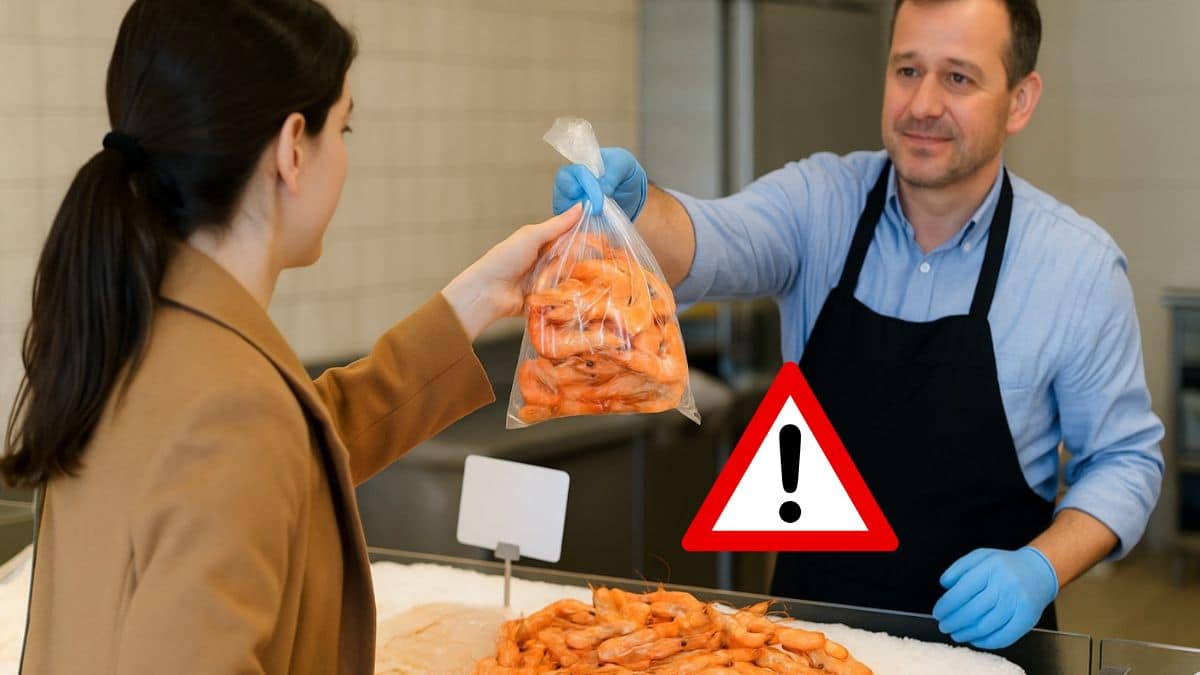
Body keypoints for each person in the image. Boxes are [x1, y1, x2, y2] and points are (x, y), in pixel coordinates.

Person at [552, 0, 1164, 650]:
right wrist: (636, 210)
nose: (922, 103)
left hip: (989, 659)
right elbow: (708, 240)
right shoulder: (821, 203)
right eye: (907, 70)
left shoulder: (1078, 268)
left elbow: (1125, 459)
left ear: (1019, 99)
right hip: (807, 649)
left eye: (958, 78)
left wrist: (1043, 565)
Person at [1, 1, 581, 672]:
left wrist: (473, 302)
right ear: (292, 149)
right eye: (345, 127)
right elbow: (253, 445)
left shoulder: (136, 332)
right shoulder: (230, 411)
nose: (344, 155)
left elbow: (294, 450)